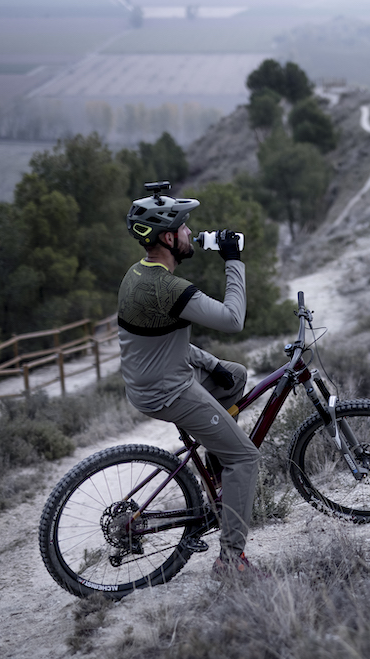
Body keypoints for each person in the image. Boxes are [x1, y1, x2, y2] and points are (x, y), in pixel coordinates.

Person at [117, 182, 258, 574]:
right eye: (184, 228)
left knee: (234, 376)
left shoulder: (136, 275)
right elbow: (233, 320)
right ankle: (232, 560)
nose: (190, 233)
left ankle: (218, 471)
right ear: (167, 237)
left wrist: (211, 363)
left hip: (152, 377)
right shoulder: (170, 288)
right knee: (246, 458)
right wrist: (233, 259)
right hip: (167, 390)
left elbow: (158, 343)